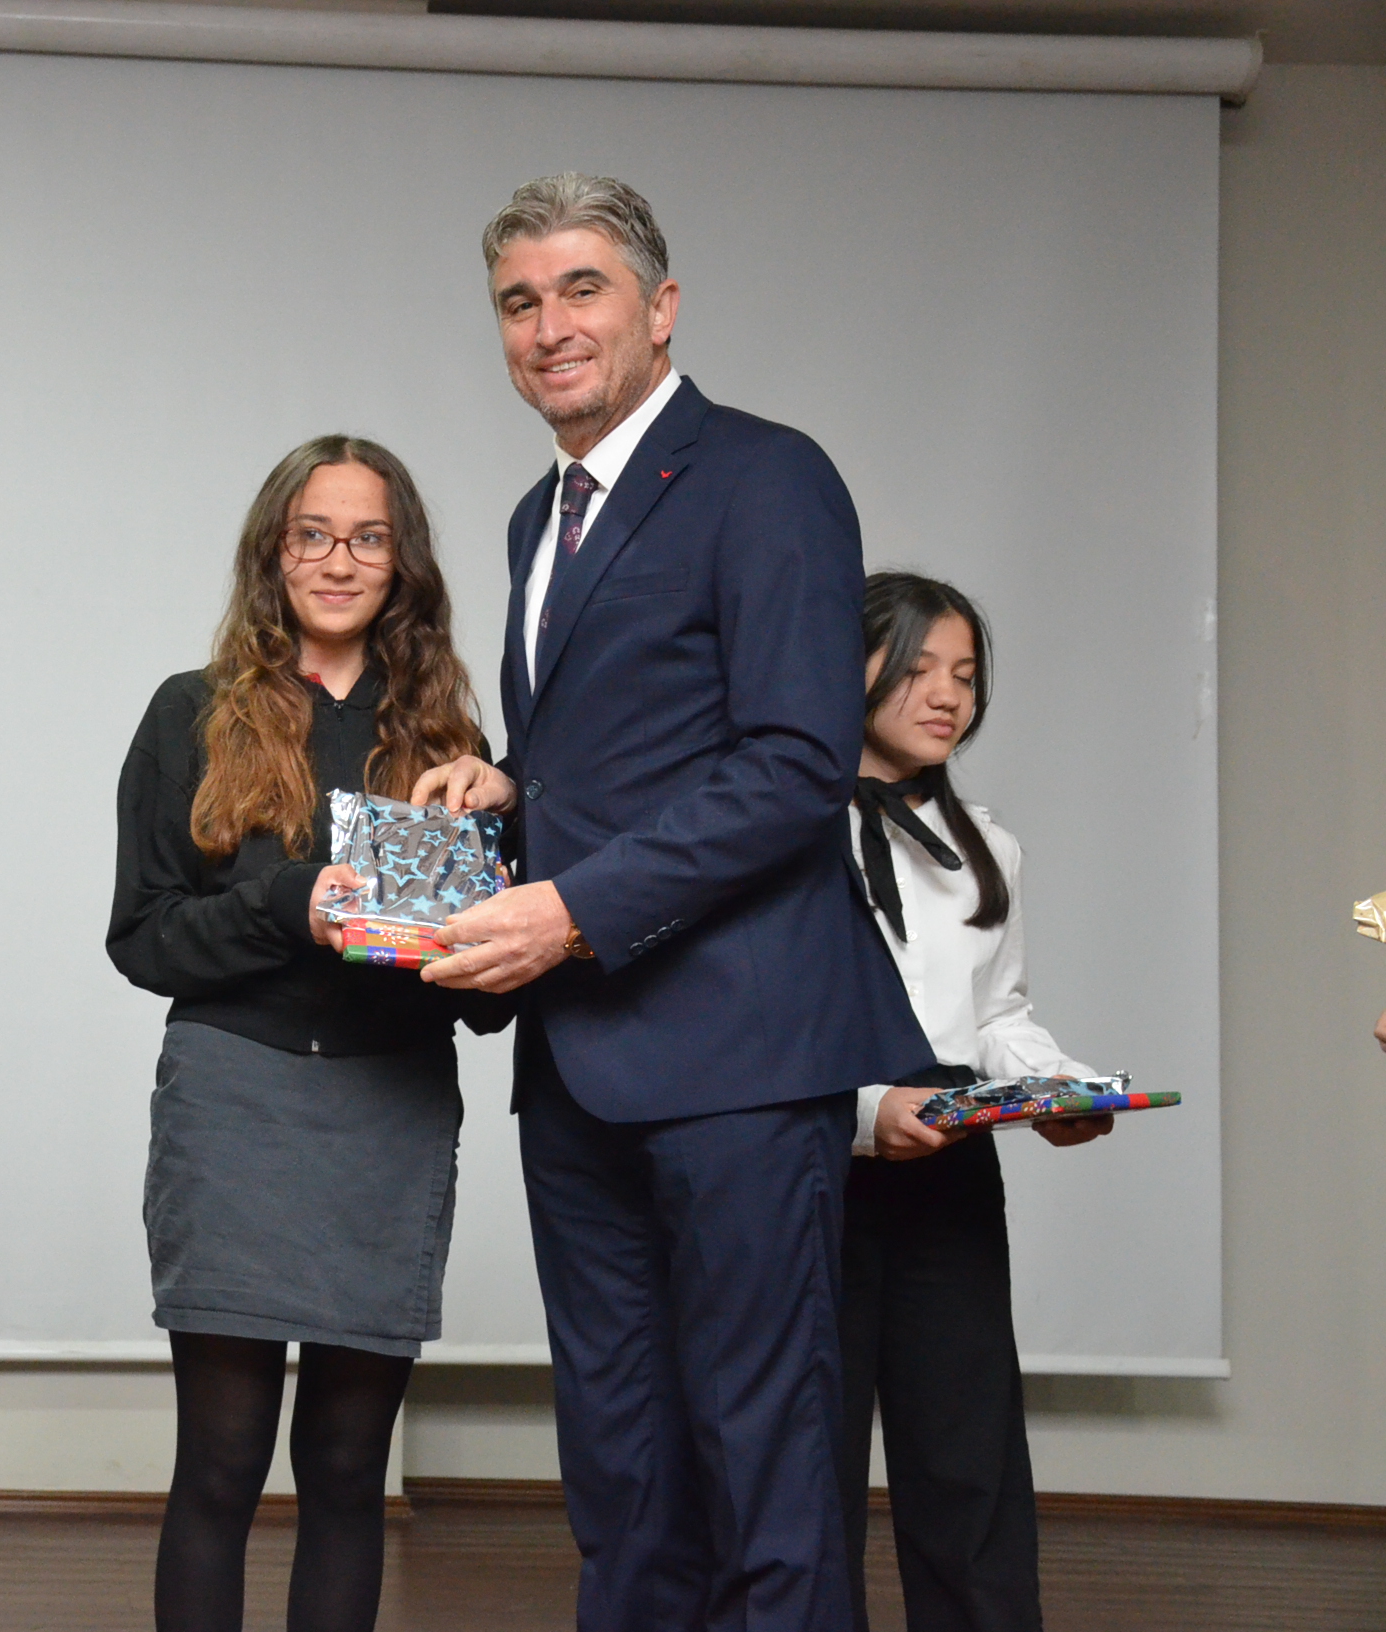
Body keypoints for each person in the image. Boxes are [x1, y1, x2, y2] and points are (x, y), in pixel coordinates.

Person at [414, 174, 933, 1632]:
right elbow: (628, 746)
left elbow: (793, 764)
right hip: (580, 1057)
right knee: (622, 1459)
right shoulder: (537, 516)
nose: (548, 326)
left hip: (739, 1052)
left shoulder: (767, 476)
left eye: (581, 289)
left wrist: (569, 910)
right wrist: (509, 785)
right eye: (519, 302)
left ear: (662, 308)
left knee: (765, 1452)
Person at [108, 435, 512, 1632]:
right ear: (272, 554)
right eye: (313, 536)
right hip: (233, 1102)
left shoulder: (448, 738)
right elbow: (143, 938)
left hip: (391, 1107)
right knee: (221, 1463)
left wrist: (482, 923)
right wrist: (290, 903)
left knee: (346, 1470)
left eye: (367, 538)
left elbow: (490, 993)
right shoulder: (189, 713)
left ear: (403, 562)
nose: (339, 561)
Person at [840, 571, 1111, 1632]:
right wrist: (864, 1113)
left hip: (950, 1160)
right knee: (806, 1458)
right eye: (917, 668)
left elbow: (998, 1010)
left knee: (967, 1451)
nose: (947, 694)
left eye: (964, 673)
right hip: (813, 1153)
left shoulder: (987, 844)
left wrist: (1052, 1089)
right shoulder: (776, 831)